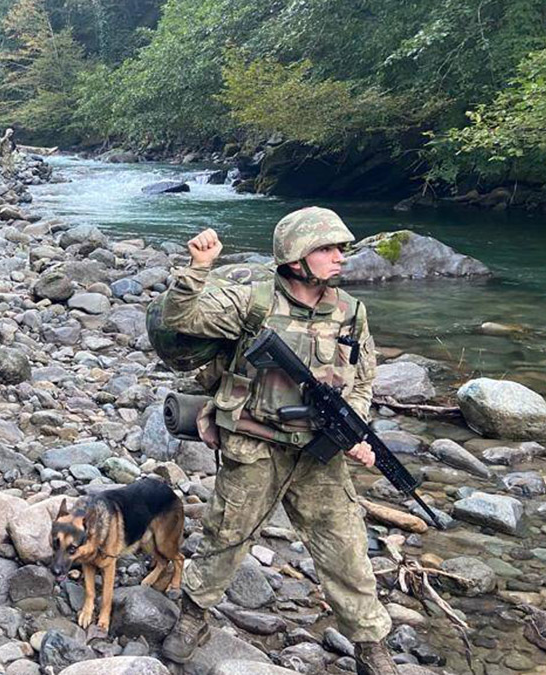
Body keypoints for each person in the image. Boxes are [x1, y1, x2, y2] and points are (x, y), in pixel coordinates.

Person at [158, 207, 397, 675]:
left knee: (346, 549)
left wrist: (355, 430)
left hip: (319, 453)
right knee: (226, 537)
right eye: (326, 249)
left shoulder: (350, 311)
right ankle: (193, 617)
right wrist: (199, 269)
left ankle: (372, 645)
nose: (339, 258)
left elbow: (364, 380)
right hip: (255, 443)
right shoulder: (254, 301)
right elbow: (181, 319)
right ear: (295, 257)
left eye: (340, 249)